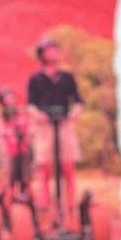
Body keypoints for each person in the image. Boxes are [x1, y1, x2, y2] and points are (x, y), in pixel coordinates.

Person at [26, 38, 83, 228]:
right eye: (50, 50)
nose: (54, 53)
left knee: (69, 169)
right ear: (42, 54)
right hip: (44, 127)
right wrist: (38, 115)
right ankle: (47, 212)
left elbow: (77, 101)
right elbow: (30, 105)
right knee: (44, 170)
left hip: (65, 124)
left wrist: (75, 112)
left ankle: (71, 211)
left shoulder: (67, 77)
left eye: (56, 49)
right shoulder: (35, 79)